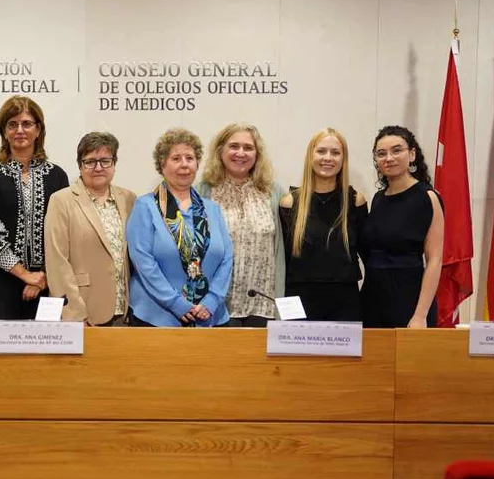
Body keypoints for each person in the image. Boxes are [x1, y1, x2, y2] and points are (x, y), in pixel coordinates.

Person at [0, 95, 69, 323]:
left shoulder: (56, 176)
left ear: (38, 130)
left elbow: (63, 234)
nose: (19, 130)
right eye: (12, 124)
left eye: (26, 124)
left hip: (46, 282)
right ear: (4, 131)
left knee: (44, 355)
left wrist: (39, 277)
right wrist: (24, 275)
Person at [126, 128, 232, 327]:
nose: (184, 164)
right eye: (176, 158)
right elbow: (143, 261)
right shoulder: (145, 206)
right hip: (157, 317)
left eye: (189, 158)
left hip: (210, 316)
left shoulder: (212, 209)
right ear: (162, 165)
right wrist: (176, 303)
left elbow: (226, 259)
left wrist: (212, 301)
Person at [198, 123, 285, 327]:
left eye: (248, 147)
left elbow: (283, 250)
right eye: (234, 146)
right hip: (216, 306)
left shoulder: (273, 192)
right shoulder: (203, 192)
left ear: (257, 154)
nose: (241, 153)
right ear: (220, 151)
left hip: (264, 305)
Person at [44, 132, 136, 325]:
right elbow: (57, 261)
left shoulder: (128, 199)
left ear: (114, 163)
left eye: (105, 160)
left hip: (124, 309)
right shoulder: (62, 200)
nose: (98, 167)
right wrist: (74, 313)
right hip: (84, 310)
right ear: (80, 165)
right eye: (90, 161)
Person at [279, 128, 367, 321]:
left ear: (343, 159)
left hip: (345, 303)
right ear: (310, 156)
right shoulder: (289, 202)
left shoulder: (355, 201)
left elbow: (368, 254)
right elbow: (282, 261)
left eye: (335, 152)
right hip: (298, 303)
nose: (328, 158)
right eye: (321, 151)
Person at [359, 125, 444, 328]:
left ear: (412, 154)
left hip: (410, 302)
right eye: (381, 153)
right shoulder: (379, 199)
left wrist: (420, 315)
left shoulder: (427, 197)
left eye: (397, 150)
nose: (389, 158)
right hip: (372, 300)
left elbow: (435, 260)